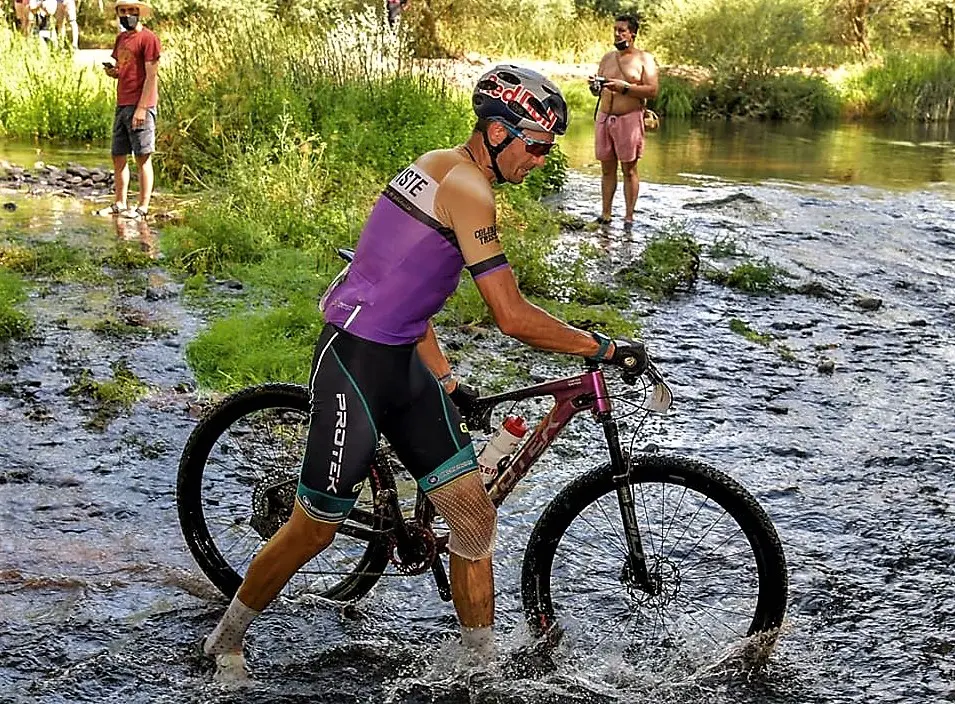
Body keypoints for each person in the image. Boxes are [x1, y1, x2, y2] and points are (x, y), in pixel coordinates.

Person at [201, 64, 647, 682]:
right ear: (498, 132)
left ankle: (479, 670)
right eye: (537, 146)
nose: (541, 160)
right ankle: (225, 639)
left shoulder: (440, 163)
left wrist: (445, 378)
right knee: (315, 529)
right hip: (354, 361)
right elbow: (510, 314)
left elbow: (405, 285)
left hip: (404, 363)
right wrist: (600, 348)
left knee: (473, 516)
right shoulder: (468, 187)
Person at [589, 13, 658, 232]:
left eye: (622, 30)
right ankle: (606, 214)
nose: (617, 34)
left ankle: (628, 217)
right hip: (604, 117)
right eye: (615, 30)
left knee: (629, 169)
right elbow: (597, 90)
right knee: (606, 169)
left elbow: (652, 90)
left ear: (632, 34)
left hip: (629, 119)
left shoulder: (644, 59)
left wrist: (624, 88)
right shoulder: (607, 58)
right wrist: (594, 87)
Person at [97, 0, 160, 220]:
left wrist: (142, 109)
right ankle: (120, 203)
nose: (127, 15)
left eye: (132, 11)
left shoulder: (149, 39)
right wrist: (114, 72)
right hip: (122, 102)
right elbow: (123, 67)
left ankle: (143, 207)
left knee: (142, 156)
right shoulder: (121, 38)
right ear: (118, 13)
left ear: (139, 12)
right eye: (123, 11)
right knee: (118, 155)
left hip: (141, 103)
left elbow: (151, 76)